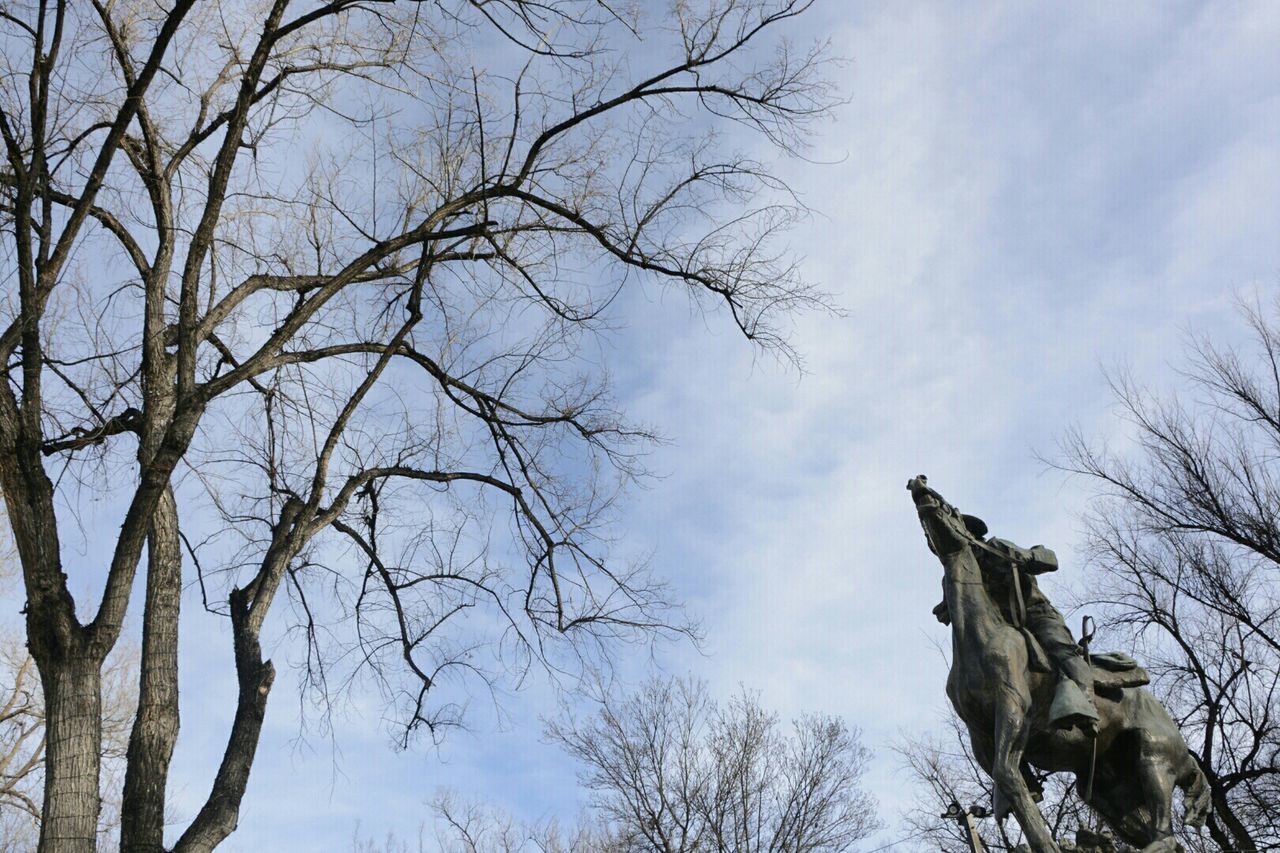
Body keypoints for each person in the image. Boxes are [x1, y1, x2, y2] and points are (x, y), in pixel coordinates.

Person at [932, 514, 1099, 734]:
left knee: (1060, 648)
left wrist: (1026, 556)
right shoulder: (957, 572)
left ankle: (1086, 705)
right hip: (999, 631)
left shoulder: (997, 547)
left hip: (1035, 615)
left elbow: (1050, 559)